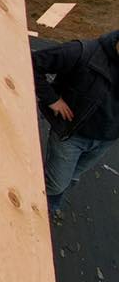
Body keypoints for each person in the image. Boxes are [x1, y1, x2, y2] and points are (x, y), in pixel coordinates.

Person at [32, 29, 119, 214]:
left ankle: (52, 203)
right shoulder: (83, 52)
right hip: (72, 135)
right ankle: (34, 207)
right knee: (56, 183)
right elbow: (32, 63)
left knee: (72, 177)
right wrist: (52, 99)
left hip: (105, 140)